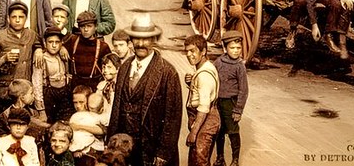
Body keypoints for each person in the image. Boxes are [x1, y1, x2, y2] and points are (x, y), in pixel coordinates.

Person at [107, 14, 183, 166]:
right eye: (136, 39)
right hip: (126, 148)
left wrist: (163, 152)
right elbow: (117, 108)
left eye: (146, 39)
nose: (141, 44)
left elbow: (173, 117)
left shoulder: (167, 72)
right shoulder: (125, 67)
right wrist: (110, 141)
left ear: (153, 40)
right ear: (131, 40)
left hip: (152, 147)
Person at [0, 2, 41, 111]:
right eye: (14, 17)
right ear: (8, 19)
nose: (17, 20)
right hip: (5, 91)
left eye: (21, 17)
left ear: (26, 18)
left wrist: (39, 49)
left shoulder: (31, 35)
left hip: (24, 90)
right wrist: (4, 59)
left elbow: (40, 44)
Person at [213, 31, 249, 166]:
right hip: (218, 103)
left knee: (233, 131)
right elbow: (211, 77)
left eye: (238, 48)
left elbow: (243, 90)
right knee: (219, 131)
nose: (235, 51)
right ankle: (220, 157)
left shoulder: (240, 66)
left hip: (231, 103)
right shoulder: (218, 62)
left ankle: (235, 159)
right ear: (225, 48)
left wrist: (238, 110)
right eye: (232, 48)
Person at [183, 35, 219, 166]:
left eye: (193, 51)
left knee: (199, 160)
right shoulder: (206, 67)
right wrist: (191, 82)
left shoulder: (204, 75)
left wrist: (193, 132)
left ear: (203, 51)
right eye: (187, 51)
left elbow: (204, 107)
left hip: (205, 118)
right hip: (206, 118)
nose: (189, 54)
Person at [63, 11, 111, 92]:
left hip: (94, 87)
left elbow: (110, 67)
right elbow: (56, 44)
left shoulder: (103, 47)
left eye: (89, 26)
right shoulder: (72, 41)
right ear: (79, 28)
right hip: (75, 87)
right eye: (82, 26)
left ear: (95, 27)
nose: (86, 29)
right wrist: (62, 48)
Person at [37, 27, 73, 125]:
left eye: (57, 42)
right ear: (45, 43)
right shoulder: (41, 58)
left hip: (64, 97)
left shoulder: (62, 55)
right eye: (50, 42)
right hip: (48, 98)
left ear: (61, 43)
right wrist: (41, 110)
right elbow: (37, 85)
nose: (54, 45)